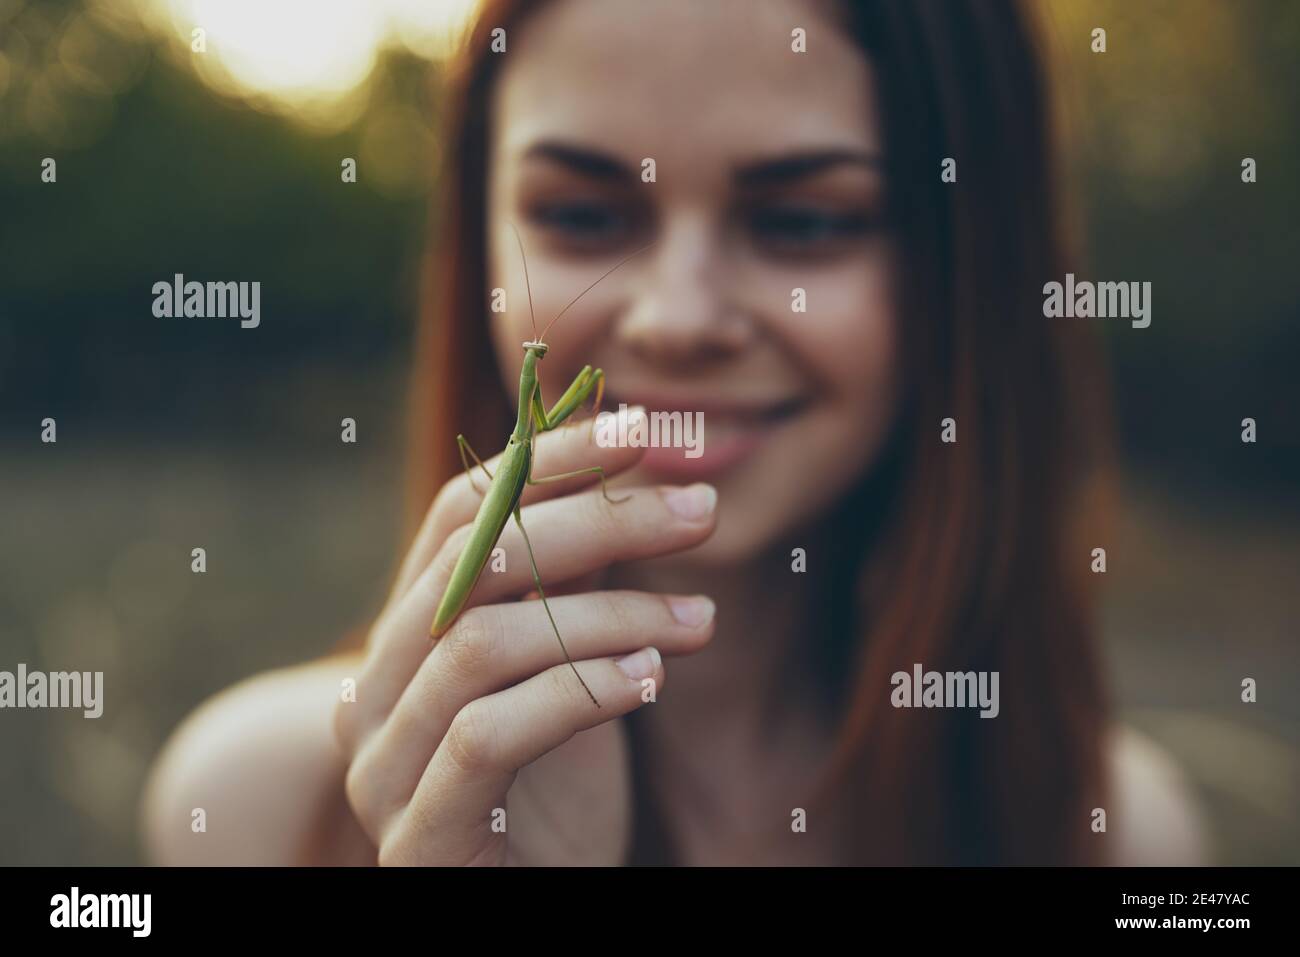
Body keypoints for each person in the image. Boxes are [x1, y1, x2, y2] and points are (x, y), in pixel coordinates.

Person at [141, 0, 1206, 866]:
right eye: (582, 214)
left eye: (805, 222)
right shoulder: (252, 810)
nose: (674, 320)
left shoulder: (1121, 840)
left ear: (974, 267)